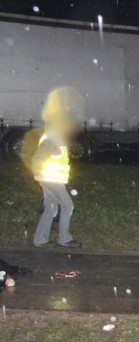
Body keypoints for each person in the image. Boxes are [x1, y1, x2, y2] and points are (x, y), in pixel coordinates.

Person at [32, 88, 83, 248]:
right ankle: (64, 239)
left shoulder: (54, 138)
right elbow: (37, 158)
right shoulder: (52, 139)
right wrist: (37, 175)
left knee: (51, 209)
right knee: (68, 206)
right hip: (50, 179)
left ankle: (40, 240)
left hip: (50, 179)